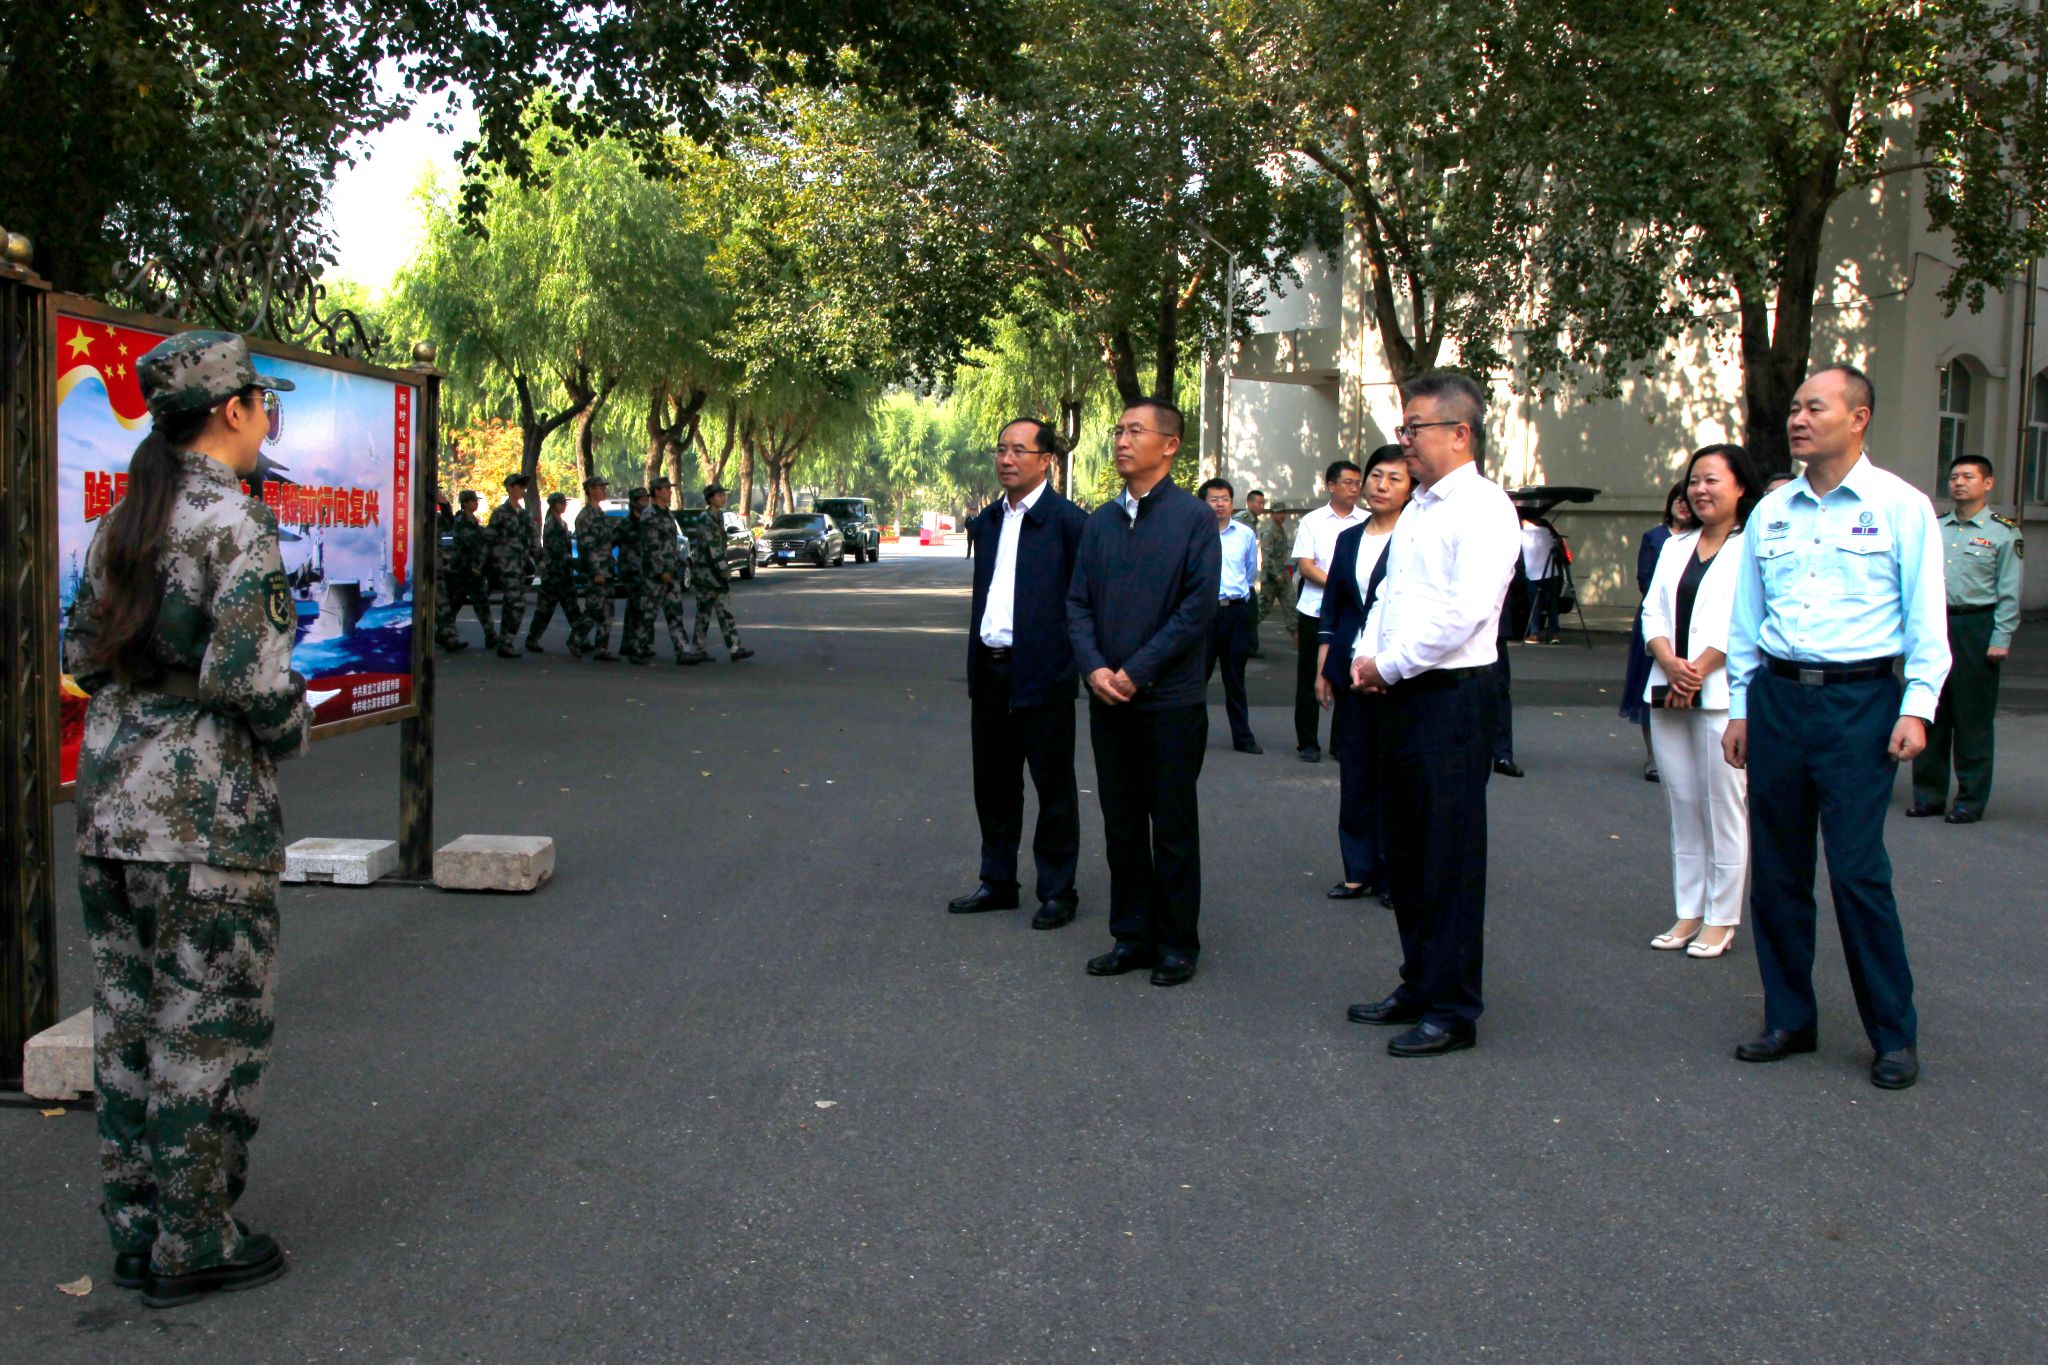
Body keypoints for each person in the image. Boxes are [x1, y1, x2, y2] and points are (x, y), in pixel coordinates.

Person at [61, 330, 309, 1309]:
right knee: (208, 1028)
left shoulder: (118, 522)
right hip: (205, 818)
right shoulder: (235, 522)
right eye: (261, 404)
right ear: (234, 410)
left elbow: (83, 659)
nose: (264, 420)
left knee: (129, 1026)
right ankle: (195, 1237)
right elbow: (253, 683)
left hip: (112, 806)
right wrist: (289, 727)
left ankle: (137, 1230)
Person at [1722, 364, 1950, 1091]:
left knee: (1857, 873)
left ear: (1858, 418)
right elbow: (1746, 620)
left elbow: (1927, 617)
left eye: (1814, 407)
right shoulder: (1772, 511)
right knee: (1778, 872)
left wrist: (1918, 704)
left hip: (1861, 704)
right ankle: (1790, 1018)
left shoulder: (1901, 507)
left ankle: (1893, 1033)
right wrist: (1740, 706)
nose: (1797, 418)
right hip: (1779, 701)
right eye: (1794, 407)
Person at [1345, 371, 1519, 1057]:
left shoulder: (1482, 507)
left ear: (1460, 432)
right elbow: (1389, 595)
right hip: (1400, 692)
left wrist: (1388, 665)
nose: (1405, 440)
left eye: (1415, 427)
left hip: (1451, 696)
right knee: (1408, 852)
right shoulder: (1418, 507)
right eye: (1404, 427)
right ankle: (1418, 983)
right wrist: (1366, 654)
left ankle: (1452, 1008)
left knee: (1448, 857)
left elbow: (1464, 610)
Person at [1067, 398, 1220, 986]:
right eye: (1119, 430)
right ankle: (1131, 934)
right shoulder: (1101, 521)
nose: (1122, 440)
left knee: (1172, 825)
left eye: (1136, 431)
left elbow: (1195, 609)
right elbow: (1077, 603)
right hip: (1108, 699)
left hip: (1169, 701)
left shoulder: (1193, 519)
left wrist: (1137, 671)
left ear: (1170, 445)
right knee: (1122, 823)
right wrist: (1094, 669)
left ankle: (1178, 942)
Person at [951, 420, 1089, 928]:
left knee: (1053, 787)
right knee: (993, 785)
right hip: (990, 671)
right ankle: (997, 881)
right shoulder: (988, 521)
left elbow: (1083, 605)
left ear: (1046, 460)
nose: (1007, 460)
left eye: (1019, 451)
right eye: (1001, 450)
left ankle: (1057, 890)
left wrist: (1073, 665)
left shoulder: (1069, 523)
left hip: (1043, 674)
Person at [1641, 443, 1762, 959]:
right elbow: (1651, 613)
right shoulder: (1675, 545)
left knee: (1724, 808)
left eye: (1712, 480)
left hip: (1722, 695)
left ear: (1740, 487)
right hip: (1668, 689)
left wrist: (1700, 668)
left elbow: (1750, 620)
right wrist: (1670, 662)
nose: (1700, 490)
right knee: (1683, 805)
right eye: (1694, 480)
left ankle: (1721, 916)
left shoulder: (1752, 547)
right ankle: (1688, 909)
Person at [1317, 444, 1413, 904]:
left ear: (1411, 488)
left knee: (1394, 774)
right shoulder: (1349, 538)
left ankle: (1395, 872)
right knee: (1355, 771)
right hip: (1350, 668)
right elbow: (1333, 604)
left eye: (1395, 478)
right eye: (1376, 475)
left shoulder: (1415, 537)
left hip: (1397, 672)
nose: (1381, 486)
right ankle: (1358, 869)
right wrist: (1324, 666)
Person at [1910, 454, 2022, 823]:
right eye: (1954, 476)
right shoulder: (1935, 527)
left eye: (1968, 477)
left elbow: (2009, 591)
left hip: (1976, 626)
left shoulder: (2003, 533)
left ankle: (1970, 800)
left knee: (1972, 717)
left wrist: (2001, 636)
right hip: (1935, 623)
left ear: (1987, 484)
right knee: (1931, 710)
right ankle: (1928, 796)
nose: (1959, 482)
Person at [1291, 462, 1367, 762]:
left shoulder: (1368, 520)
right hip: (1315, 609)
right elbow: (1306, 566)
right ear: (1331, 486)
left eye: (1357, 482)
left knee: (1348, 676)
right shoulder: (1312, 521)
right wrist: (1340, 585)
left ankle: (1341, 742)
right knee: (1311, 675)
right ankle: (1308, 742)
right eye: (1348, 482)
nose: (1354, 488)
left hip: (1352, 611)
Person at [1622, 483, 1696, 780]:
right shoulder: (1655, 537)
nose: (1683, 504)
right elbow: (1645, 580)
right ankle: (1654, 756)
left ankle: (1685, 754)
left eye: (1687, 500)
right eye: (1678, 499)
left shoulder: (1703, 538)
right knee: (1650, 690)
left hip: (1691, 623)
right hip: (1656, 622)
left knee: (1687, 685)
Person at [1200, 477, 1262, 754]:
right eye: (1214, 499)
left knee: (1235, 678)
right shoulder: (1196, 533)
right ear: (1203, 503)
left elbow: (1249, 574)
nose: (1220, 504)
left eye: (1225, 499)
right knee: (1197, 677)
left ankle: (1243, 737)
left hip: (1235, 612)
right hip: (1204, 614)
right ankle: (1193, 735)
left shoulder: (1245, 534)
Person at [623, 477, 705, 665]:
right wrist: (661, 571)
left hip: (670, 572)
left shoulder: (667, 513)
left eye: (670, 488)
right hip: (655, 575)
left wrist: (679, 560)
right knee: (647, 614)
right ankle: (637, 649)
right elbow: (651, 546)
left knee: (675, 613)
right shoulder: (649, 514)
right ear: (657, 492)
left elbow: (670, 542)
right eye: (666, 489)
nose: (670, 492)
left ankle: (683, 651)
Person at [687, 483, 755, 662]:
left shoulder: (720, 516)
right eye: (718, 495)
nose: (723, 498)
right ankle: (698, 649)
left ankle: (734, 648)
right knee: (704, 613)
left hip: (716, 573)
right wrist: (725, 571)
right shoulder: (705, 519)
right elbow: (713, 548)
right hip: (706, 573)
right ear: (710, 499)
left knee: (725, 611)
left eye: (723, 495)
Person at [485, 472, 537, 658]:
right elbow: (489, 539)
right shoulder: (500, 513)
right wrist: (482, 564)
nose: (522, 490)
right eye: (518, 486)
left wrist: (539, 558)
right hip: (505, 566)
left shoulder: (524, 514)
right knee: (516, 603)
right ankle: (506, 642)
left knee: (513, 604)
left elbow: (533, 538)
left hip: (521, 566)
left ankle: (505, 641)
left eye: (523, 487)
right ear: (509, 488)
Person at [569, 475, 620, 661]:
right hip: (595, 570)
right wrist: (596, 571)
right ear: (590, 490)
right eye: (600, 487)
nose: (604, 490)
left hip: (607, 568)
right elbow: (587, 546)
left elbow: (608, 541)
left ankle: (601, 648)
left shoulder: (601, 514)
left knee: (607, 611)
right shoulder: (585, 516)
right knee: (593, 609)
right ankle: (575, 639)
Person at [438, 490, 495, 650]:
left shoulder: (473, 521)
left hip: (473, 570)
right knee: (454, 604)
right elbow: (469, 541)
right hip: (461, 569)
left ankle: (490, 635)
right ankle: (445, 635)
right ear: (464, 503)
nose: (475, 503)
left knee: (481, 603)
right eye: (472, 501)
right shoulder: (460, 520)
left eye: (476, 501)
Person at [523, 491, 576, 651]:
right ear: (554, 505)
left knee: (572, 608)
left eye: (564, 502)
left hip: (563, 573)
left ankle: (580, 638)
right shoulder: (551, 524)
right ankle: (532, 639)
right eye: (561, 503)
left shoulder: (562, 523)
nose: (564, 505)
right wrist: (574, 562)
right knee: (545, 610)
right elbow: (556, 549)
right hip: (553, 573)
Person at [1258, 507, 1294, 658]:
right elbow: (1266, 556)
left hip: (1283, 576)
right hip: (1272, 578)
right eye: (1278, 513)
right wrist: (1276, 574)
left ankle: (1300, 643)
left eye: (1283, 513)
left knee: (1291, 607)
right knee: (1261, 610)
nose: (1282, 516)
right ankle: (1241, 636)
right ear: (1272, 514)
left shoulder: (1281, 530)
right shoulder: (1269, 532)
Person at [1520, 516, 1562, 643]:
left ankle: (1535, 633)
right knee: (1551, 604)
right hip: (1550, 572)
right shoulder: (1546, 531)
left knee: (1534, 604)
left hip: (1532, 574)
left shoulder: (1521, 534)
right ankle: (1554, 633)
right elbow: (1556, 544)